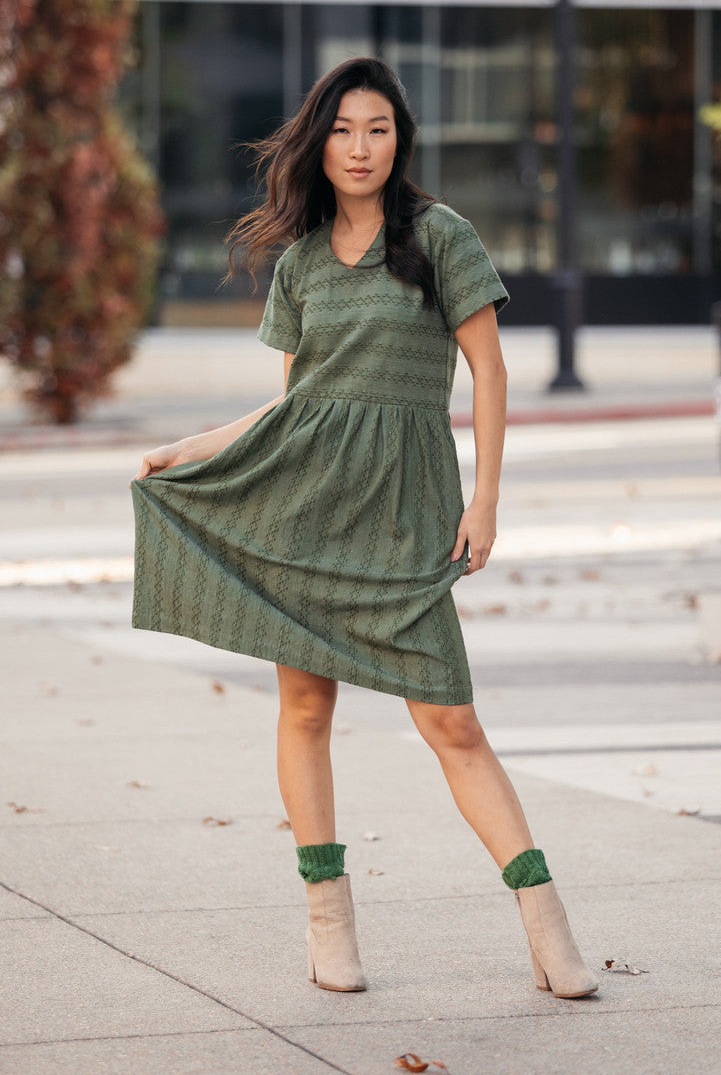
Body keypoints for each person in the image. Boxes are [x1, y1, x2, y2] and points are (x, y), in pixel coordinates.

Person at [130, 56, 597, 1000]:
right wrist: (188, 447)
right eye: (343, 129)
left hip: (409, 510)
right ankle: (327, 918)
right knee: (306, 710)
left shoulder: (441, 236)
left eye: (378, 128)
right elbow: (293, 407)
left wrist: (486, 500)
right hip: (308, 509)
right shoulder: (301, 262)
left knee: (452, 720)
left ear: (401, 139)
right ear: (320, 140)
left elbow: (492, 374)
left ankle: (547, 922)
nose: (359, 147)